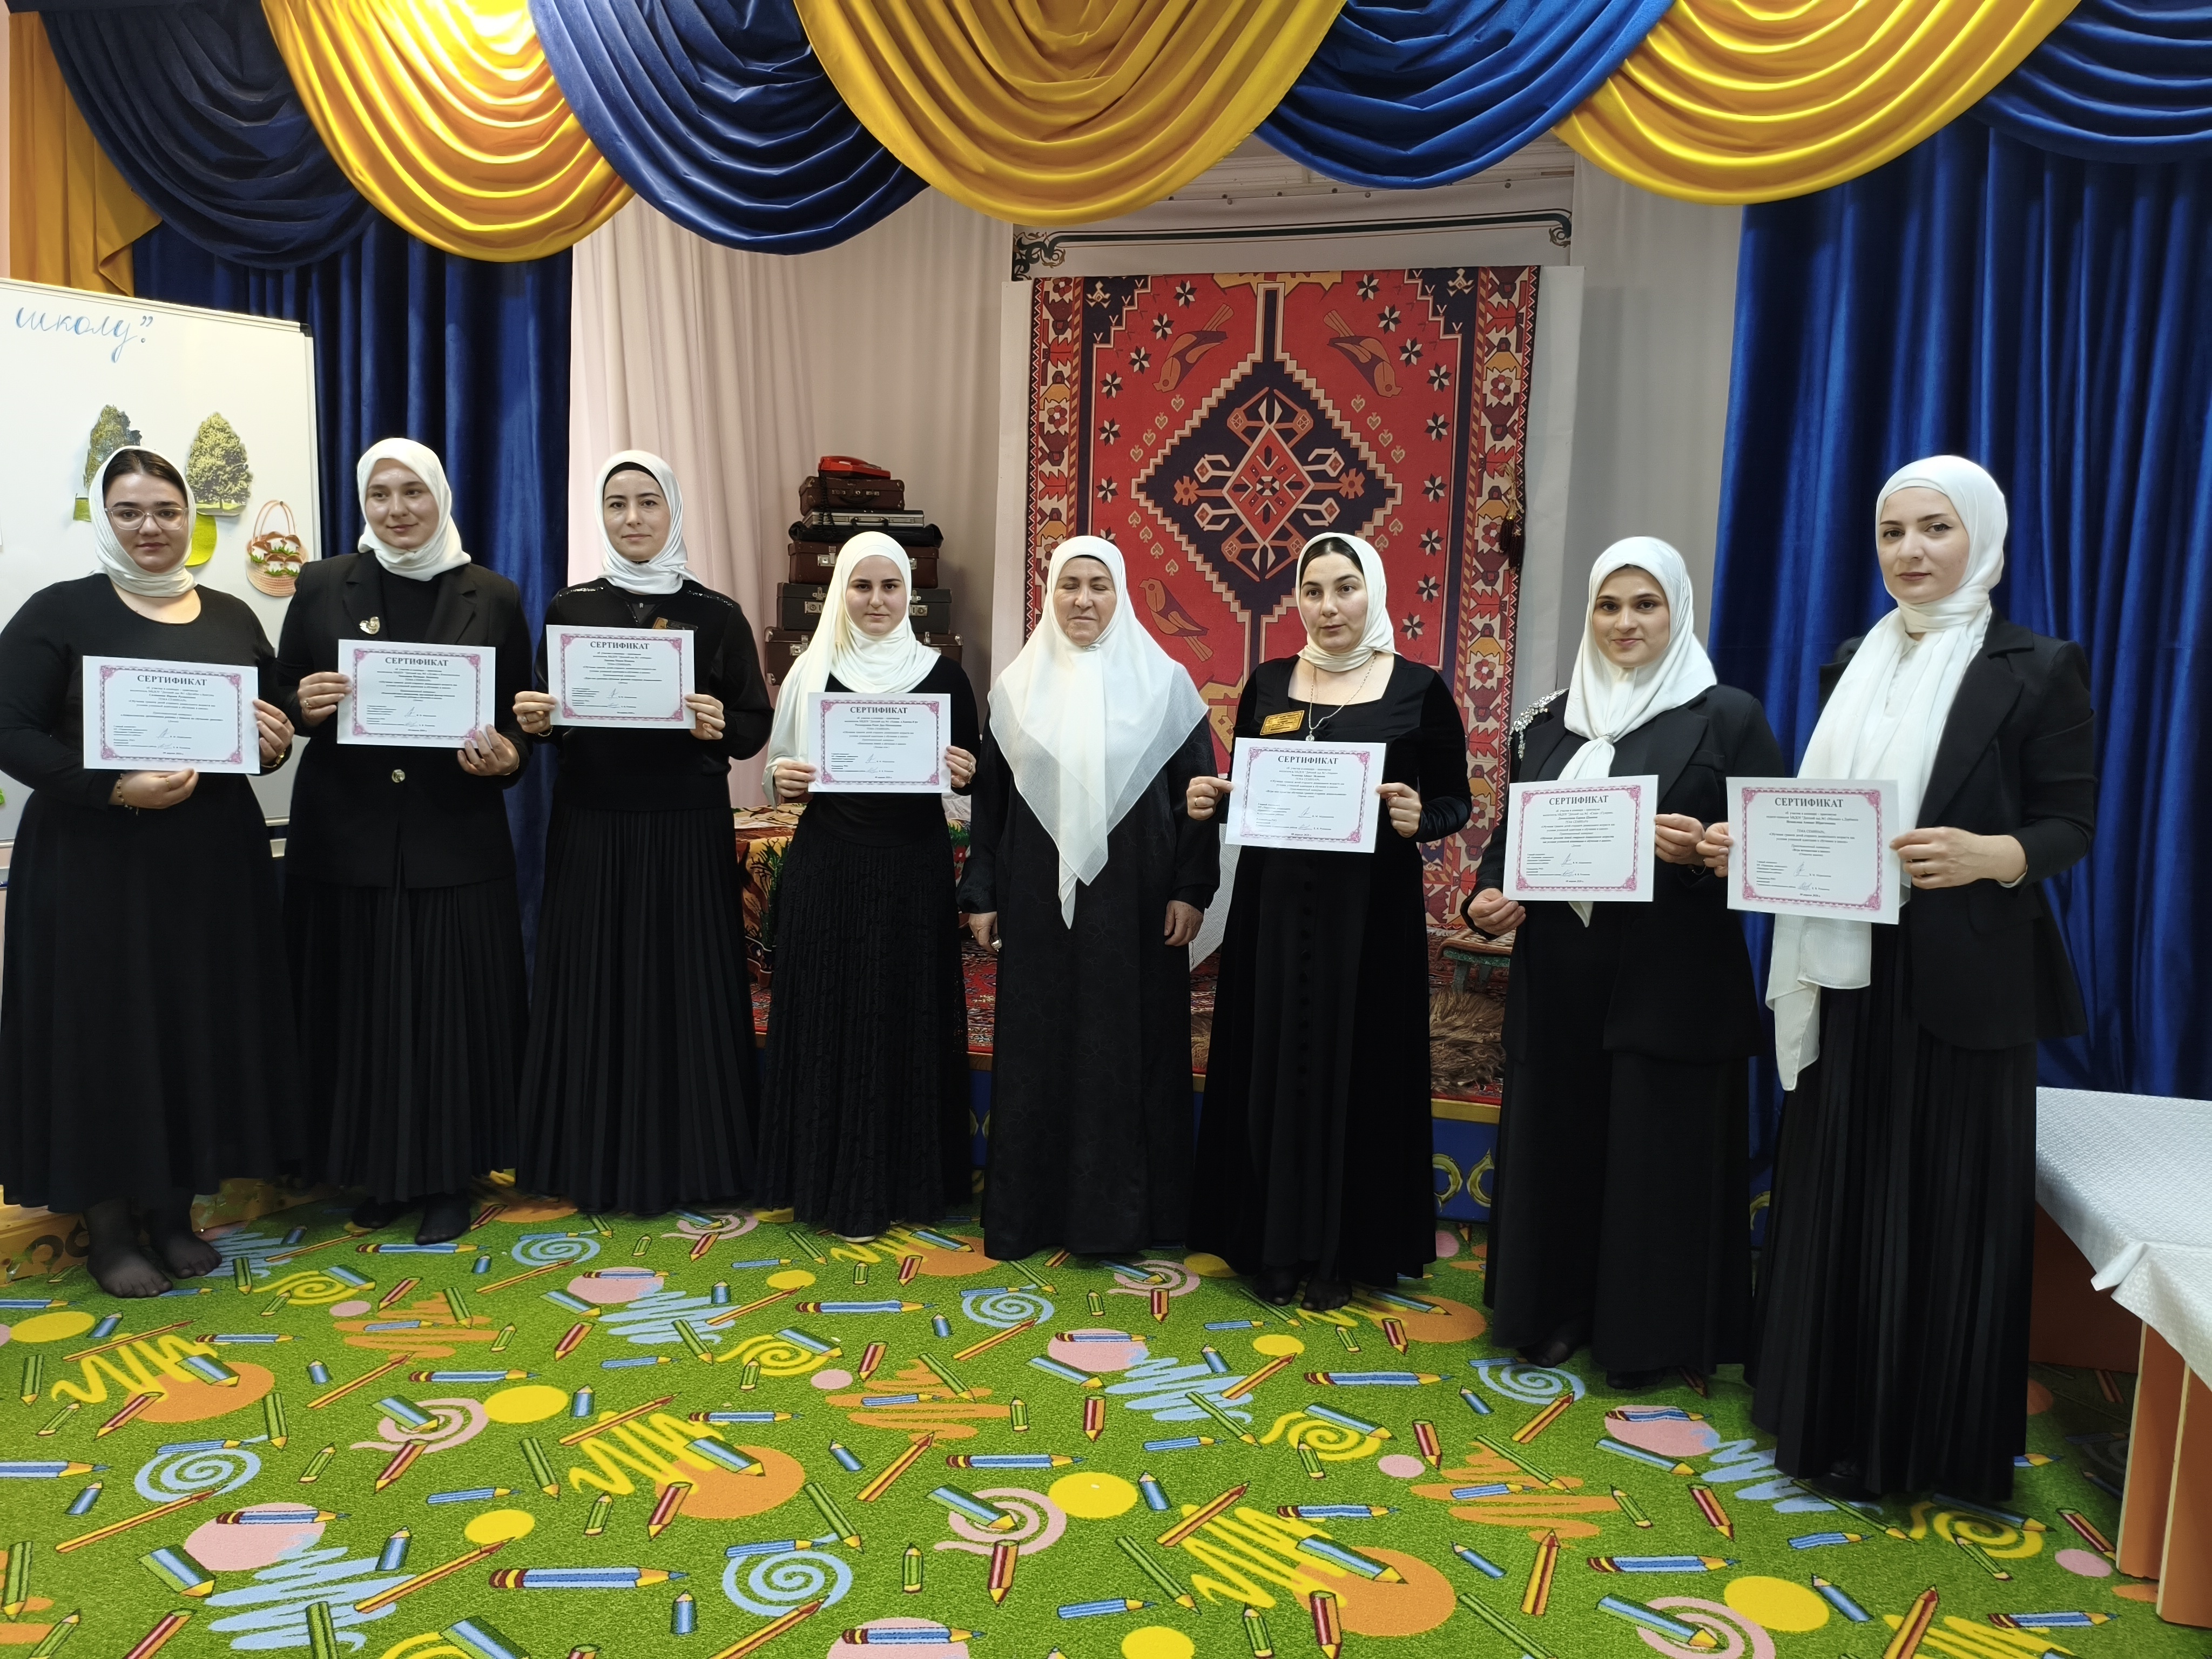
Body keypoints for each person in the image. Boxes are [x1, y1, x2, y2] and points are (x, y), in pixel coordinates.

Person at [1700, 456, 2094, 1500]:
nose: (1911, 552)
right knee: (1845, 1182)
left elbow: (2070, 824)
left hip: (1966, 980)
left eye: (1935, 529)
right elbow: (1828, 816)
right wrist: (1748, 847)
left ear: (1981, 537)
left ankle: (1929, 1446)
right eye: (1892, 532)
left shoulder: (2040, 666)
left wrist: (1993, 854)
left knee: (1943, 1201)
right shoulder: (1853, 661)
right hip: (1851, 965)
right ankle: (1826, 1417)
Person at [1463, 539, 1785, 1386]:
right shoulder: (1549, 721)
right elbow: (1511, 838)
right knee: (1563, 1148)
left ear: (1678, 610)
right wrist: (1487, 896)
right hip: (1560, 978)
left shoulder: (1727, 716)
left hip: (1670, 979)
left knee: (1657, 1158)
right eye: (1609, 606)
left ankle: (1652, 1336)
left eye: (1646, 604)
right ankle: (1557, 1311)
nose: (1625, 622)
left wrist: (1714, 850)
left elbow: (1778, 847)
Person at [0, 448, 299, 1296]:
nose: (150, 527)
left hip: (209, 868)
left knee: (190, 1027)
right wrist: (112, 788)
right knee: (101, 1037)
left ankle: (172, 1214)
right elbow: (10, 730)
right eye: (129, 511)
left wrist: (275, 742)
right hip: (92, 866)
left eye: (166, 510)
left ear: (189, 516)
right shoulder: (59, 611)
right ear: (105, 519)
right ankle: (108, 1231)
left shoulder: (233, 614)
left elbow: (262, 727)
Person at [1185, 533, 1471, 1310]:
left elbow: (1455, 799)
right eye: (1313, 591)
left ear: (1372, 593)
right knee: (1271, 1062)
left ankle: (1343, 1252)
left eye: (1345, 588)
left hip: (1368, 917)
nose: (1329, 606)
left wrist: (1422, 817)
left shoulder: (1418, 688)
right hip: (1273, 911)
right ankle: (1271, 1245)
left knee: (1357, 1069)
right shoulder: (1270, 683)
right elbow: (1253, 788)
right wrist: (1215, 800)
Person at [278, 438, 535, 1246]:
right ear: (364, 503)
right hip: (346, 839)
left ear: (440, 496)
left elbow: (519, 721)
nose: (397, 509)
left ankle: (449, 1178)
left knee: (450, 1017)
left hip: (453, 840)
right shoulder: (322, 584)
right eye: (380, 494)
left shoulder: (493, 594)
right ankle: (377, 1174)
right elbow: (280, 698)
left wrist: (508, 760)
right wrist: (302, 705)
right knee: (362, 1014)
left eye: (412, 492)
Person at [512, 452, 772, 1213]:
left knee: (685, 986)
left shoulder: (717, 613)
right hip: (592, 824)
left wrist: (722, 724)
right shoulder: (570, 607)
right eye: (617, 503)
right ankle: (587, 1160)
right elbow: (547, 716)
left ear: (673, 511)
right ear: (601, 514)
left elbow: (753, 723)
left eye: (648, 502)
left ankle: (697, 1164)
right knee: (593, 984)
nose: (633, 518)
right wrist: (537, 722)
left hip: (686, 828)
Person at [957, 537, 1219, 1262]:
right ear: (1050, 595)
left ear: (1121, 594)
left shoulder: (1167, 687)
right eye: (1069, 585)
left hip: (1138, 903)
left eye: (1098, 585)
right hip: (1037, 902)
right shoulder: (1016, 690)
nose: (1082, 599)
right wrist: (982, 893)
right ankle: (1033, 1214)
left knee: (1129, 1046)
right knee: (1041, 1048)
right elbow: (991, 808)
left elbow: (1198, 799)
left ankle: (1129, 1218)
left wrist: (1191, 889)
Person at [757, 532, 979, 1241]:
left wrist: (967, 774)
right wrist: (784, 778)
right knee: (831, 1017)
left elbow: (972, 781)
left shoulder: (945, 678)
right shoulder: (811, 671)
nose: (877, 601)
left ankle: (904, 1184)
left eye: (891, 587)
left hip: (913, 870)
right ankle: (827, 1183)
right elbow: (778, 772)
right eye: (863, 586)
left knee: (906, 1017)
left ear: (910, 594)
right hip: (830, 869)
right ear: (840, 592)